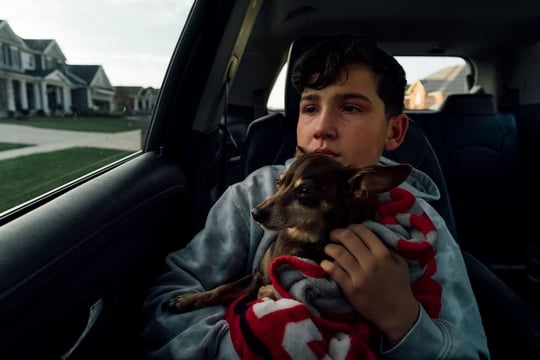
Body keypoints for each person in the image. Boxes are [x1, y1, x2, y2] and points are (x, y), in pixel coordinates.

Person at [141, 35, 490, 359]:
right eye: (309, 109)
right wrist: (243, 347)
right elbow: (167, 302)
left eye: (350, 107)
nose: (322, 127)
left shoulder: (419, 225)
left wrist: (400, 318)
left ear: (394, 131)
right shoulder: (251, 196)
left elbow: (467, 350)